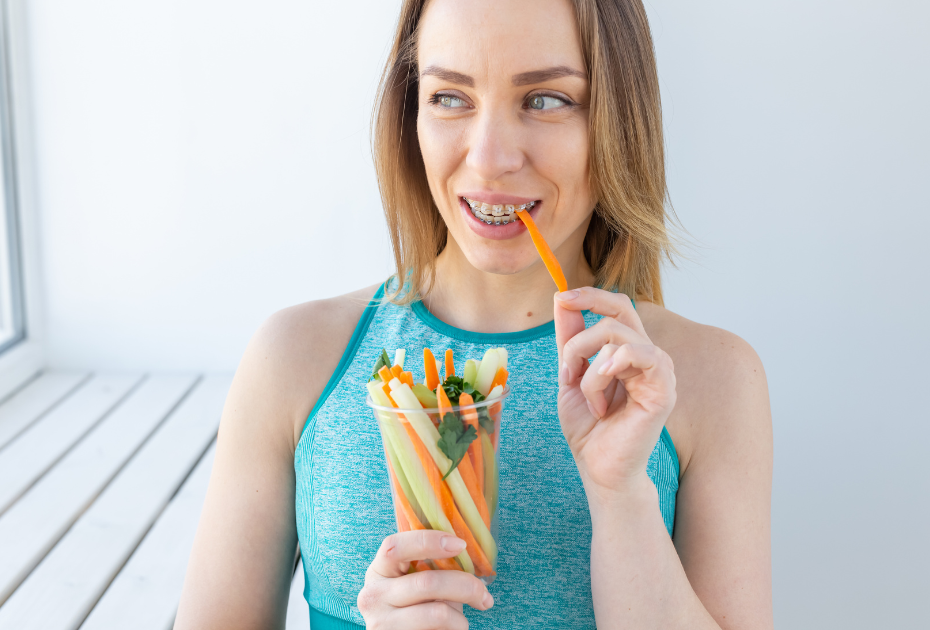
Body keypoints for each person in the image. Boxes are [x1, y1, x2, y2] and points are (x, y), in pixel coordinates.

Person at [174, 0, 773, 627]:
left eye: (545, 99)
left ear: (620, 119)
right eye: (450, 97)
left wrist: (622, 496)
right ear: (411, 113)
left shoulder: (711, 379)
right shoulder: (295, 359)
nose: (489, 158)